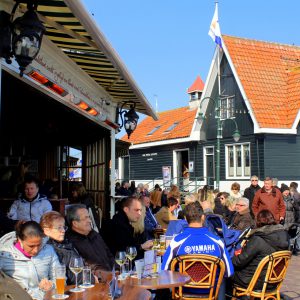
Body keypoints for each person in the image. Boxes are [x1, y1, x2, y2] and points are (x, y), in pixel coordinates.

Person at [162, 202, 234, 296]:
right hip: (210, 293)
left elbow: (164, 270)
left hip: (183, 292)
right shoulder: (217, 242)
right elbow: (229, 272)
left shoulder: (177, 242)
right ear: (203, 217)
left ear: (185, 220)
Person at [0, 221, 59, 300]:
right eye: (31, 246)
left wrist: (51, 285)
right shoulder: (3, 256)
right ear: (19, 240)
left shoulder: (48, 250)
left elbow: (60, 277)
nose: (36, 250)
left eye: (39, 244)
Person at [232, 210, 289, 290]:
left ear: (257, 222)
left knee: (224, 270)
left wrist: (229, 259)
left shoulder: (258, 239)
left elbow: (239, 262)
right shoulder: (284, 236)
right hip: (273, 281)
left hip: (253, 280)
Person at [40, 211, 88, 285]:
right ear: (46, 231)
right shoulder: (51, 250)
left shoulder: (66, 243)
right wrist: (89, 279)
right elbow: (69, 276)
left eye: (63, 227)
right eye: (59, 228)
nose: (63, 231)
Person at [65, 204, 114, 276]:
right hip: (94, 282)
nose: (90, 221)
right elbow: (84, 266)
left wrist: (117, 269)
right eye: (85, 218)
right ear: (75, 223)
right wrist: (105, 275)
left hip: (111, 278)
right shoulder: (70, 242)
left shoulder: (94, 235)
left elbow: (109, 255)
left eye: (89, 217)